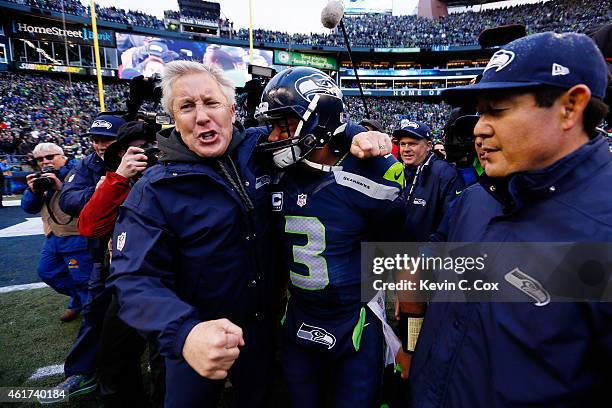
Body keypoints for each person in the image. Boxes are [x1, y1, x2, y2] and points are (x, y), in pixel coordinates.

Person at [108, 61, 391, 408]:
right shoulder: (153, 190)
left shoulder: (260, 149)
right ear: (172, 118)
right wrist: (184, 333)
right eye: (186, 106)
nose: (201, 116)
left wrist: (354, 133)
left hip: (264, 330)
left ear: (231, 109)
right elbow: (133, 278)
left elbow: (315, 126)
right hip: (197, 331)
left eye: (210, 103)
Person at [409, 32, 612, 406]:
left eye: (496, 109)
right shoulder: (478, 196)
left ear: (570, 107)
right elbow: (442, 250)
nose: (478, 129)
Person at [256, 66, 413, 408]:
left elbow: (400, 248)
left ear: (320, 122)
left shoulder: (370, 175)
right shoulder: (273, 174)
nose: (272, 137)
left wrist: (409, 339)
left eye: (283, 126)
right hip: (299, 316)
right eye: (272, 126)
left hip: (354, 319)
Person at [77, 121, 165, 407]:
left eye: (151, 148)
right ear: (120, 156)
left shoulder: (176, 173)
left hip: (172, 284)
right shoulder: (114, 181)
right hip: (128, 285)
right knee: (114, 364)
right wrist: (120, 178)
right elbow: (89, 227)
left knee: (165, 365)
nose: (146, 155)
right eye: (136, 151)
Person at [42, 113, 127, 402]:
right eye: (95, 139)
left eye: (107, 139)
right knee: (95, 311)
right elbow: (69, 199)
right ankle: (81, 371)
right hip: (104, 253)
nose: (100, 145)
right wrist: (107, 188)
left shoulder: (142, 154)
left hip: (147, 248)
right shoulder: (87, 164)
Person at [21, 143, 92, 322]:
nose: (45, 162)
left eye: (50, 157)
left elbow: (85, 200)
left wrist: (61, 186)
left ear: (63, 157)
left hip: (76, 235)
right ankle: (78, 300)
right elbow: (28, 208)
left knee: (83, 279)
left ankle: (93, 317)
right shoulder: (40, 178)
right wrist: (33, 191)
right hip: (52, 236)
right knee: (48, 272)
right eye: (40, 159)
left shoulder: (78, 173)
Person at [393, 120, 464, 241]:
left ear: (429, 146)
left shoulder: (444, 173)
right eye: (402, 144)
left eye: (412, 144)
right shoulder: (397, 170)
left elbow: (452, 218)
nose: (406, 149)